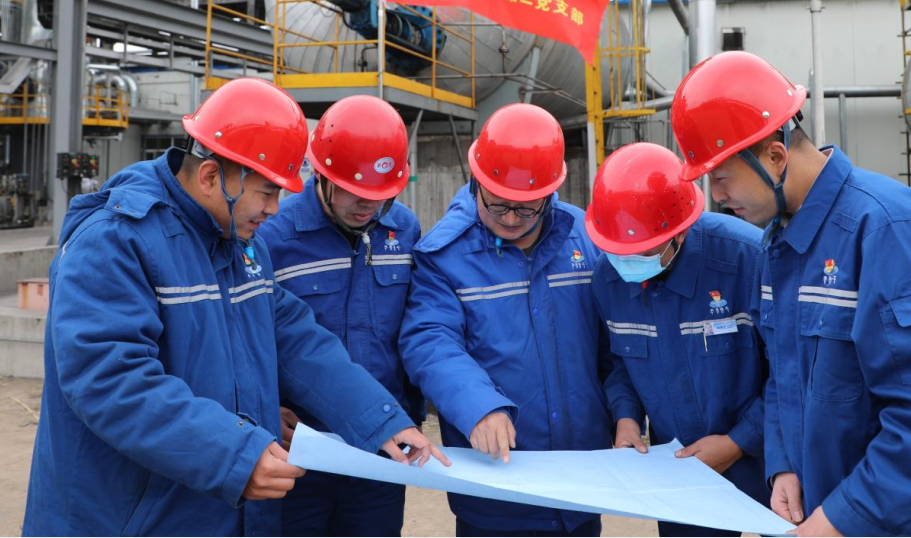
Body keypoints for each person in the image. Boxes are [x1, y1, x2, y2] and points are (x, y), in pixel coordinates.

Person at [22, 78, 446, 537]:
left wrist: (375, 417)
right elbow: (111, 379)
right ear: (210, 177)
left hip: (212, 509)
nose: (276, 209)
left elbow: (293, 338)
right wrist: (235, 455)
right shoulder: (114, 241)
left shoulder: (238, 242)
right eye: (266, 192)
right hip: (129, 518)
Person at [670, 51, 911, 537]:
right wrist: (784, 464)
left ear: (774, 157)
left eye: (720, 176)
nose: (716, 196)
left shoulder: (891, 229)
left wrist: (845, 518)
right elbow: (784, 375)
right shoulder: (778, 244)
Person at [400, 103, 611, 537]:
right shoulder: (445, 255)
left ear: (551, 192)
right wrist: (479, 406)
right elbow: (430, 340)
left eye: (527, 209)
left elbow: (614, 344)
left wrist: (624, 412)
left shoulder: (586, 238)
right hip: (497, 490)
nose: (512, 219)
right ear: (476, 183)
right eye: (497, 206)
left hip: (582, 480)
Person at [255, 94, 423, 537]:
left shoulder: (403, 229)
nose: (367, 205)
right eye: (353, 190)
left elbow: (417, 327)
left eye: (381, 195)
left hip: (381, 446)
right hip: (300, 446)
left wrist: (410, 411)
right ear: (320, 174)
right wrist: (265, 406)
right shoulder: (271, 234)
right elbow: (245, 334)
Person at [585, 142, 768, 537]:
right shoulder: (608, 278)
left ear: (680, 233)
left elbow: (794, 372)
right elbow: (619, 364)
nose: (628, 259)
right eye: (618, 249)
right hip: (682, 472)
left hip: (770, 463)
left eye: (643, 250)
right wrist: (626, 418)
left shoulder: (747, 258)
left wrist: (740, 441)